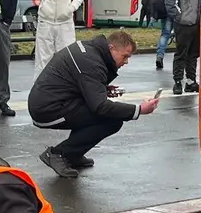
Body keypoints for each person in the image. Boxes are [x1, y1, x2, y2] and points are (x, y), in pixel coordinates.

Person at [27, 30, 160, 177]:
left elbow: (76, 81)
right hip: (47, 110)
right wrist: (139, 109)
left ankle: (73, 155)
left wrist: (101, 88)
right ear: (111, 48)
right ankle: (59, 154)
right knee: (111, 120)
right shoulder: (92, 63)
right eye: (125, 56)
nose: (126, 61)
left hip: (50, 102)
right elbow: (100, 106)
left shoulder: (90, 50)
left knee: (93, 114)